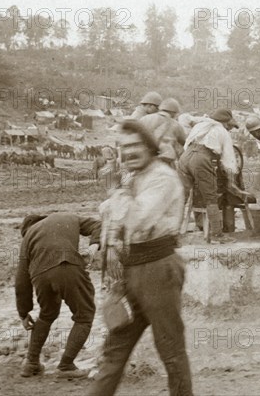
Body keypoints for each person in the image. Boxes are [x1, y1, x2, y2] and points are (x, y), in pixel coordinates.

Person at [88, 120, 192, 396]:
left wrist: (115, 193)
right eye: (123, 147)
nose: (128, 153)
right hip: (128, 270)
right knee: (114, 350)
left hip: (158, 268)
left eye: (134, 146)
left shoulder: (162, 178)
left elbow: (137, 219)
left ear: (149, 146)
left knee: (170, 350)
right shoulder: (133, 177)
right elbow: (111, 220)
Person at [16, 213, 101, 378]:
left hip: (39, 275)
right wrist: (94, 244)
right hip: (66, 265)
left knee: (47, 314)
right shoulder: (66, 217)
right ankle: (66, 365)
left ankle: (31, 363)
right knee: (84, 315)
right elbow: (99, 225)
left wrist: (24, 313)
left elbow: (21, 280)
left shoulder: (27, 240)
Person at [178, 109, 243, 243]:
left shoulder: (200, 125)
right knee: (211, 198)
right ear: (225, 123)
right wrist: (232, 182)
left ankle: (173, 235)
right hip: (201, 159)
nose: (230, 129)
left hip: (184, 158)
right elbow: (229, 161)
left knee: (181, 198)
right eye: (230, 126)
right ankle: (216, 235)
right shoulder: (223, 132)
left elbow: (187, 144)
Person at [140, 98, 187, 165]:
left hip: (145, 157)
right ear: (173, 112)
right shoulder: (176, 124)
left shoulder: (144, 119)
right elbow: (184, 142)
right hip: (164, 160)